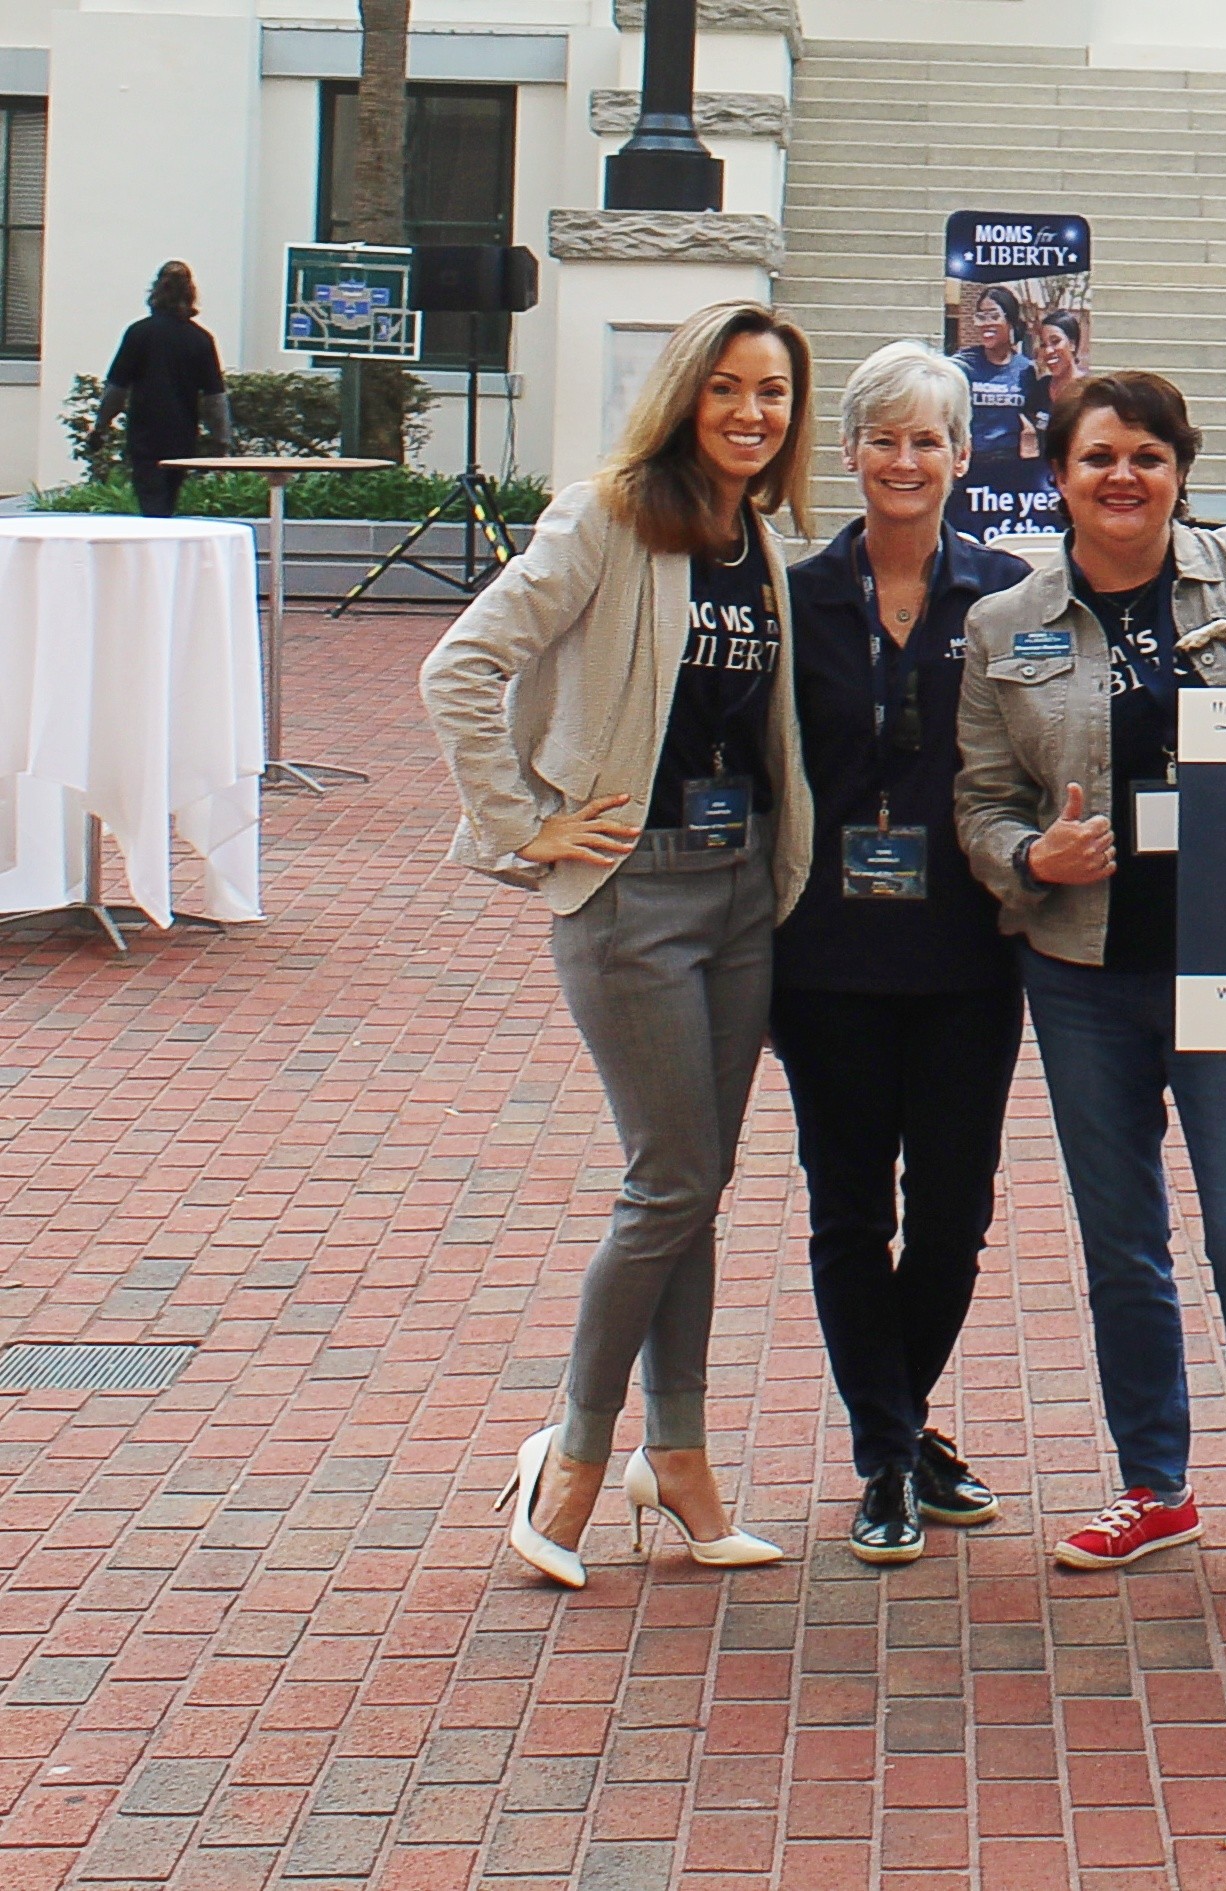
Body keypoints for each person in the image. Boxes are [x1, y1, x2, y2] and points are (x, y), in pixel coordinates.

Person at [421, 301, 817, 1590]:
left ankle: (680, 1456)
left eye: (773, 392)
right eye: (728, 388)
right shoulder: (606, 516)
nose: (752, 412)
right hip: (630, 894)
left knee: (696, 1184)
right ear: (684, 394)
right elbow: (459, 668)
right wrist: (526, 823)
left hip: (739, 890)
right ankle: (576, 1452)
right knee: (669, 1182)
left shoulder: (761, 541)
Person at [954, 371, 1226, 1598]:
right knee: (1123, 1243)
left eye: (1149, 457)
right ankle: (1155, 1487)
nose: (1124, 477)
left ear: (1181, 470)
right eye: (1099, 457)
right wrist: (1030, 857)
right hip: (1081, 970)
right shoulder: (1004, 623)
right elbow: (982, 796)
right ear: (1058, 476)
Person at [776, 343, 1033, 1563]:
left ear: (962, 456)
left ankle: (897, 1422)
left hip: (966, 953)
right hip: (824, 955)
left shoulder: (1007, 595)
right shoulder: (793, 598)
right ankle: (888, 1454)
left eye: (927, 439)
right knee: (846, 1211)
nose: (904, 459)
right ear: (848, 454)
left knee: (952, 1216)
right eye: (882, 438)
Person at [88, 261, 233, 518]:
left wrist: (100, 427)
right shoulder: (201, 339)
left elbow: (116, 390)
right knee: (168, 501)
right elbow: (215, 398)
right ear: (190, 293)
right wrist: (221, 441)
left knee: (151, 503)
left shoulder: (138, 334)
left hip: (145, 437)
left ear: (156, 291)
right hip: (182, 437)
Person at [952, 287, 1043, 462]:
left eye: (994, 316)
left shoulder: (1025, 369)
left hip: (1011, 462)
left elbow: (1033, 416)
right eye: (981, 317)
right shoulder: (963, 364)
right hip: (970, 461)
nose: (986, 324)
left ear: (1010, 321)